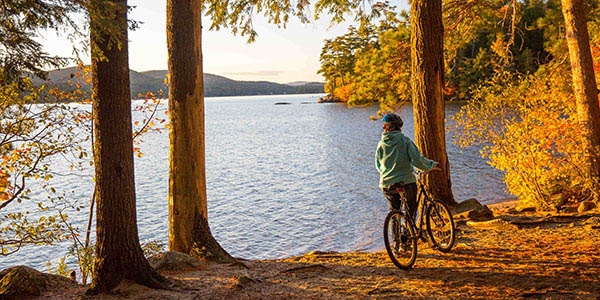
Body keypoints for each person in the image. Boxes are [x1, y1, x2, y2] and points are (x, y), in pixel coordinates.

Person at [375, 113, 440, 220]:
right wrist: (431, 165)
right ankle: (409, 233)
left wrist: (388, 172)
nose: (383, 127)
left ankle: (396, 236)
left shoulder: (381, 144)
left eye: (384, 124)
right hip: (406, 182)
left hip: (387, 183)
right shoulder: (405, 141)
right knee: (411, 209)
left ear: (387, 127)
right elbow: (417, 160)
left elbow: (378, 165)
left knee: (394, 213)